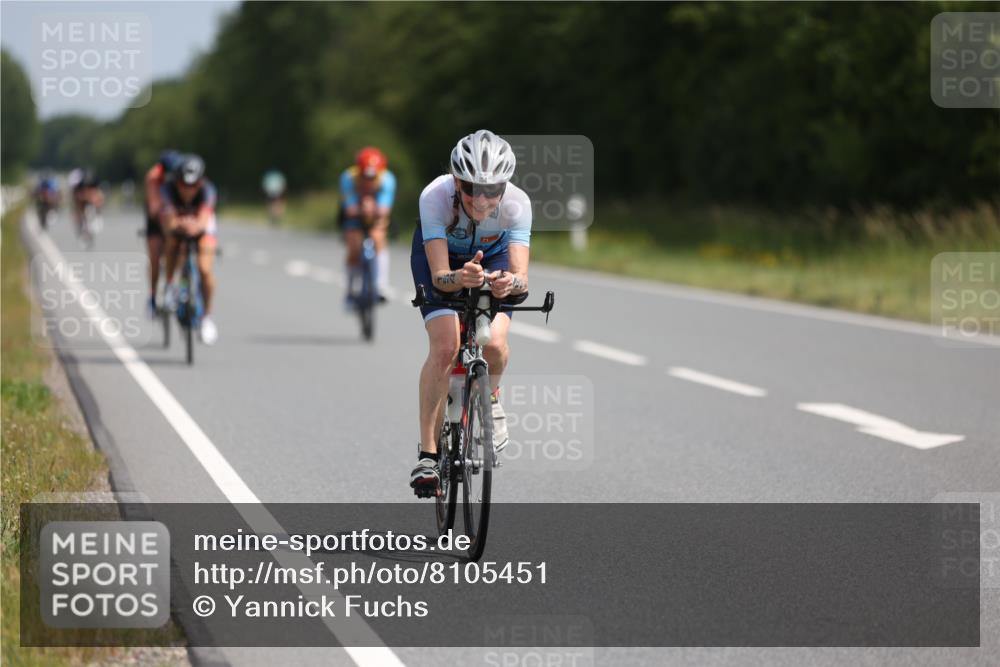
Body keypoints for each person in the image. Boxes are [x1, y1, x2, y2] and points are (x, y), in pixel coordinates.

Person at [409, 130, 531, 495]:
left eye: (492, 190)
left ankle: (490, 397)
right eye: (472, 190)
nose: (482, 200)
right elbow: (440, 277)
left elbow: (523, 278)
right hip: (443, 259)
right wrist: (460, 277)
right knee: (446, 347)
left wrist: (508, 283)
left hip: (494, 260)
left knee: (493, 344)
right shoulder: (434, 197)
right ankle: (429, 455)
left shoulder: (517, 204)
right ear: (456, 182)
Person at [161, 154, 221, 345]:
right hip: (178, 226)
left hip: (202, 228)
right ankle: (170, 284)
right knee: (171, 242)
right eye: (183, 185)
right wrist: (180, 224)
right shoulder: (167, 190)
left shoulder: (208, 191)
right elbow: (169, 221)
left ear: (200, 182)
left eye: (193, 185)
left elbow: (203, 221)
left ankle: (207, 318)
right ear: (176, 182)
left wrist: (191, 225)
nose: (188, 190)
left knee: (204, 269)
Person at [339, 147, 396, 304]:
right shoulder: (348, 178)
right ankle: (350, 289)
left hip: (376, 214)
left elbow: (384, 210)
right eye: (365, 176)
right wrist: (363, 208)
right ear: (359, 171)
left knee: (378, 238)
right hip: (354, 213)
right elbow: (350, 210)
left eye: (373, 177)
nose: (369, 181)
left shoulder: (388, 179)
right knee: (354, 247)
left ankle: (381, 286)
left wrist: (372, 209)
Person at [144, 150, 184, 317]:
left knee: (179, 247)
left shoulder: (182, 173)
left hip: (175, 212)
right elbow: (154, 207)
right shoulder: (153, 176)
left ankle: (173, 283)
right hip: (157, 216)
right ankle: (153, 295)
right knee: (154, 255)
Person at [71, 169, 104, 242]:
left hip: (92, 199)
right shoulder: (80, 183)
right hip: (83, 200)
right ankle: (82, 223)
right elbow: (76, 194)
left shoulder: (95, 182)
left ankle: (98, 215)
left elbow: (98, 193)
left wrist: (96, 201)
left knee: (98, 199)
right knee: (79, 207)